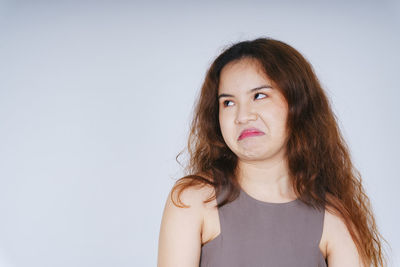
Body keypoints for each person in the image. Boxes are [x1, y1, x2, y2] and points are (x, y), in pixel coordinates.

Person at [157, 37, 387, 267]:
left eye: (259, 96)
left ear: (298, 104)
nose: (243, 116)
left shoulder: (335, 219)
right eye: (228, 103)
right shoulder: (192, 200)